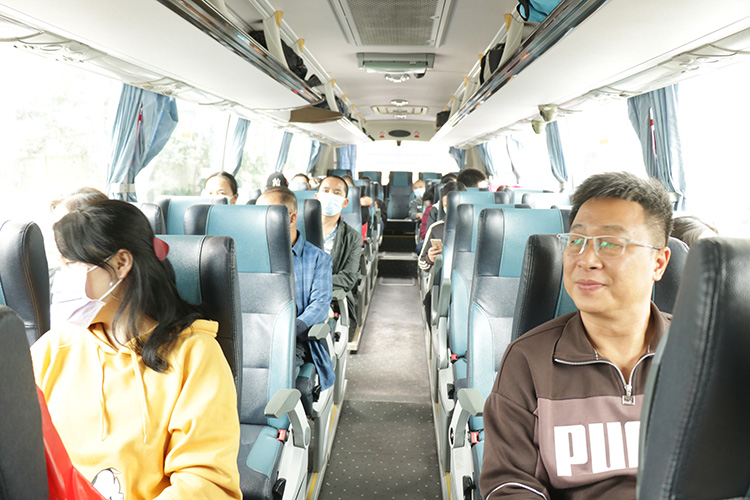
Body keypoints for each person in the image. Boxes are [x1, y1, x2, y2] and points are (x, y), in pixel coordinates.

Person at [480, 171, 673, 499]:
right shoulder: (529, 360)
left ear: (658, 262)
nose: (586, 259)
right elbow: (511, 485)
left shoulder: (704, 356)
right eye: (576, 241)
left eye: (611, 244)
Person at [32, 200, 241, 500]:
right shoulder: (54, 348)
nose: (60, 279)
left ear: (121, 264)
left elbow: (204, 482)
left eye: (71, 264)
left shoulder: (195, 356)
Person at [255, 187, 335, 390]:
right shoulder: (247, 255)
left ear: (291, 219)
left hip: (294, 340)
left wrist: (291, 330)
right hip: (254, 336)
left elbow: (319, 305)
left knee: (273, 382)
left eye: (269, 215)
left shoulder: (318, 259)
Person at [316, 176, 363, 338]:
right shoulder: (296, 231)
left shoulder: (353, 238)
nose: (330, 196)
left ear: (345, 202)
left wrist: (313, 284)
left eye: (337, 193)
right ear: (316, 197)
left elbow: (349, 278)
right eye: (326, 191)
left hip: (331, 296)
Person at [418, 181, 466, 271]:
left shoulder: (478, 229)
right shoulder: (436, 228)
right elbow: (422, 263)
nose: (451, 210)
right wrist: (429, 258)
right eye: (446, 206)